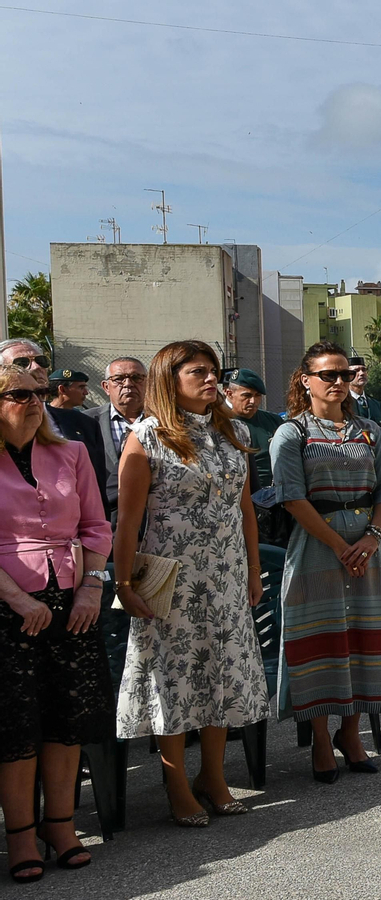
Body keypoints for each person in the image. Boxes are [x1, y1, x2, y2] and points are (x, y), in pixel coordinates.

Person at [113, 340, 270, 826]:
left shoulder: (234, 430)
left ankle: (214, 776)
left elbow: (245, 509)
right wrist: (122, 583)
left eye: (213, 371)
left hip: (224, 575)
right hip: (171, 581)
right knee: (174, 680)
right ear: (169, 378)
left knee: (222, 672)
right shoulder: (147, 435)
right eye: (197, 371)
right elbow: (128, 519)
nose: (210, 378)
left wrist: (250, 568)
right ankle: (177, 782)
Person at [0, 364, 114, 879]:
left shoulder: (71, 453)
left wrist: (92, 586)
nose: (33, 400)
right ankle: (20, 836)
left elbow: (96, 524)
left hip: (73, 602)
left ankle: (60, 823)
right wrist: (18, 601)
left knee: (67, 719)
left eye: (40, 393)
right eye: (19, 393)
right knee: (18, 726)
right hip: (8, 607)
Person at [272, 341, 381, 780]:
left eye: (345, 374)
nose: (339, 382)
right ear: (305, 381)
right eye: (329, 375)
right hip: (317, 547)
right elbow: (291, 497)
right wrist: (337, 544)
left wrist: (370, 538)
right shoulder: (292, 433)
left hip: (370, 547)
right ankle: (321, 739)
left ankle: (352, 732)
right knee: (322, 640)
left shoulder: (369, 430)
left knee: (365, 639)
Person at [0, 343, 110, 512]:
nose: (36, 367)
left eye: (41, 361)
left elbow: (97, 502)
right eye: (22, 363)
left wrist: (98, 536)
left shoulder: (84, 424)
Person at [88, 356, 149, 527]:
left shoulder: (164, 422)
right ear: (106, 387)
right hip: (103, 521)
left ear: (147, 383)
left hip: (152, 521)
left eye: (137, 378)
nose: (128, 384)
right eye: (119, 379)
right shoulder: (85, 422)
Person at [224, 368, 281, 493]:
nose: (253, 401)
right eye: (247, 395)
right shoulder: (220, 423)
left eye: (257, 395)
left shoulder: (274, 421)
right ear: (229, 394)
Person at [346, 356, 381, 427]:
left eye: (364, 369)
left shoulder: (376, 404)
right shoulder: (342, 404)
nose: (361, 373)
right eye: (356, 370)